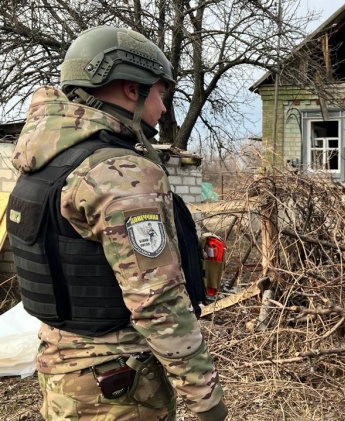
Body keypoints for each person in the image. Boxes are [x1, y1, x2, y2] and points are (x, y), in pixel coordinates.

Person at [6, 26, 227, 420]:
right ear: (130, 88)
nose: (162, 108)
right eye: (160, 93)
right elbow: (157, 302)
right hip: (118, 386)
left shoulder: (41, 162)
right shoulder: (118, 171)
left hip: (61, 372)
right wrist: (205, 397)